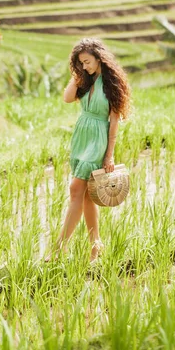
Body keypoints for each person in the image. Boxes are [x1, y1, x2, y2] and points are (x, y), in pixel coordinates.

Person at [47, 37, 131, 263]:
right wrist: (78, 75)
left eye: (87, 62)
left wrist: (109, 154)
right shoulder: (86, 80)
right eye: (81, 63)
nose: (85, 66)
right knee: (86, 196)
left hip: (98, 139)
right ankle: (96, 246)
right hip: (81, 137)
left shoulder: (112, 83)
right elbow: (67, 98)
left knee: (76, 188)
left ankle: (59, 248)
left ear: (99, 57)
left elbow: (114, 121)